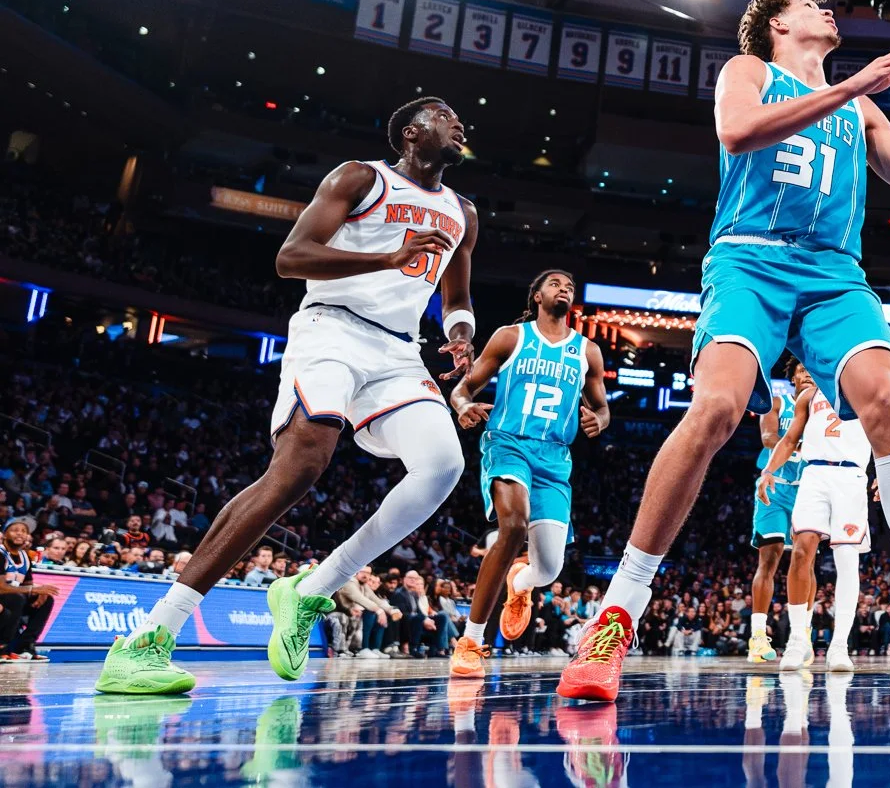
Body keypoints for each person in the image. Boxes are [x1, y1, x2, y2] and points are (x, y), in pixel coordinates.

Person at [556, 0, 890, 703]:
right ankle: (615, 616)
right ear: (778, 23)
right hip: (748, 259)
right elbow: (737, 132)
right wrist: (851, 84)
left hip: (834, 273)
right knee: (717, 408)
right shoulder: (749, 71)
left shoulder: (862, 109)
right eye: (812, 4)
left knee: (886, 400)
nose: (829, 10)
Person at [96, 97, 477, 696]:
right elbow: (290, 258)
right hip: (333, 328)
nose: (459, 124)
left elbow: (456, 295)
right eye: (444, 115)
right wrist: (388, 256)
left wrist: (460, 333)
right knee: (298, 470)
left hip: (400, 352)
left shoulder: (462, 212)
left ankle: (311, 589)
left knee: (443, 466)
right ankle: (149, 638)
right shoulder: (361, 178)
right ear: (411, 132)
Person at [446, 268, 608, 677]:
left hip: (555, 457)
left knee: (550, 569)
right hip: (509, 442)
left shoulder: (587, 351)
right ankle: (470, 641)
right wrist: (464, 407)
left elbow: (602, 407)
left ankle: (519, 583)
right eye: (555, 284)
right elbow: (463, 388)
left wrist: (600, 420)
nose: (564, 288)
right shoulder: (510, 337)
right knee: (513, 526)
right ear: (537, 295)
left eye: (570, 286)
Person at [758, 363, 873, 673]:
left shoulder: (863, 388)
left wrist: (884, 475)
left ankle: (839, 646)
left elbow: (883, 433)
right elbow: (789, 439)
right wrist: (768, 471)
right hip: (814, 475)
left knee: (846, 559)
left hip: (851, 476)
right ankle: (798, 641)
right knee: (801, 551)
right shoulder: (808, 396)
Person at [747, 374, 805, 663]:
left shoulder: (822, 409)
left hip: (807, 490)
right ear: (794, 377)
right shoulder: (779, 404)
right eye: (802, 371)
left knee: (805, 562)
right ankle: (758, 636)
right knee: (769, 560)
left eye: (811, 371)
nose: (808, 376)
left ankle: (802, 636)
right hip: (775, 488)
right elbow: (768, 437)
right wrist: (798, 444)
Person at [0, 518, 54, 660]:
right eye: (15, 530)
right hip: (4, 598)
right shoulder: (1, 553)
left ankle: (24, 646)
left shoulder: (25, 556)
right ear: (4, 534)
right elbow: (1, 587)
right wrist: (32, 589)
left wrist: (39, 591)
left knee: (46, 600)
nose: (20, 533)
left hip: (15, 599)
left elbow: (27, 584)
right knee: (16, 598)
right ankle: (3, 646)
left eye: (24, 531)